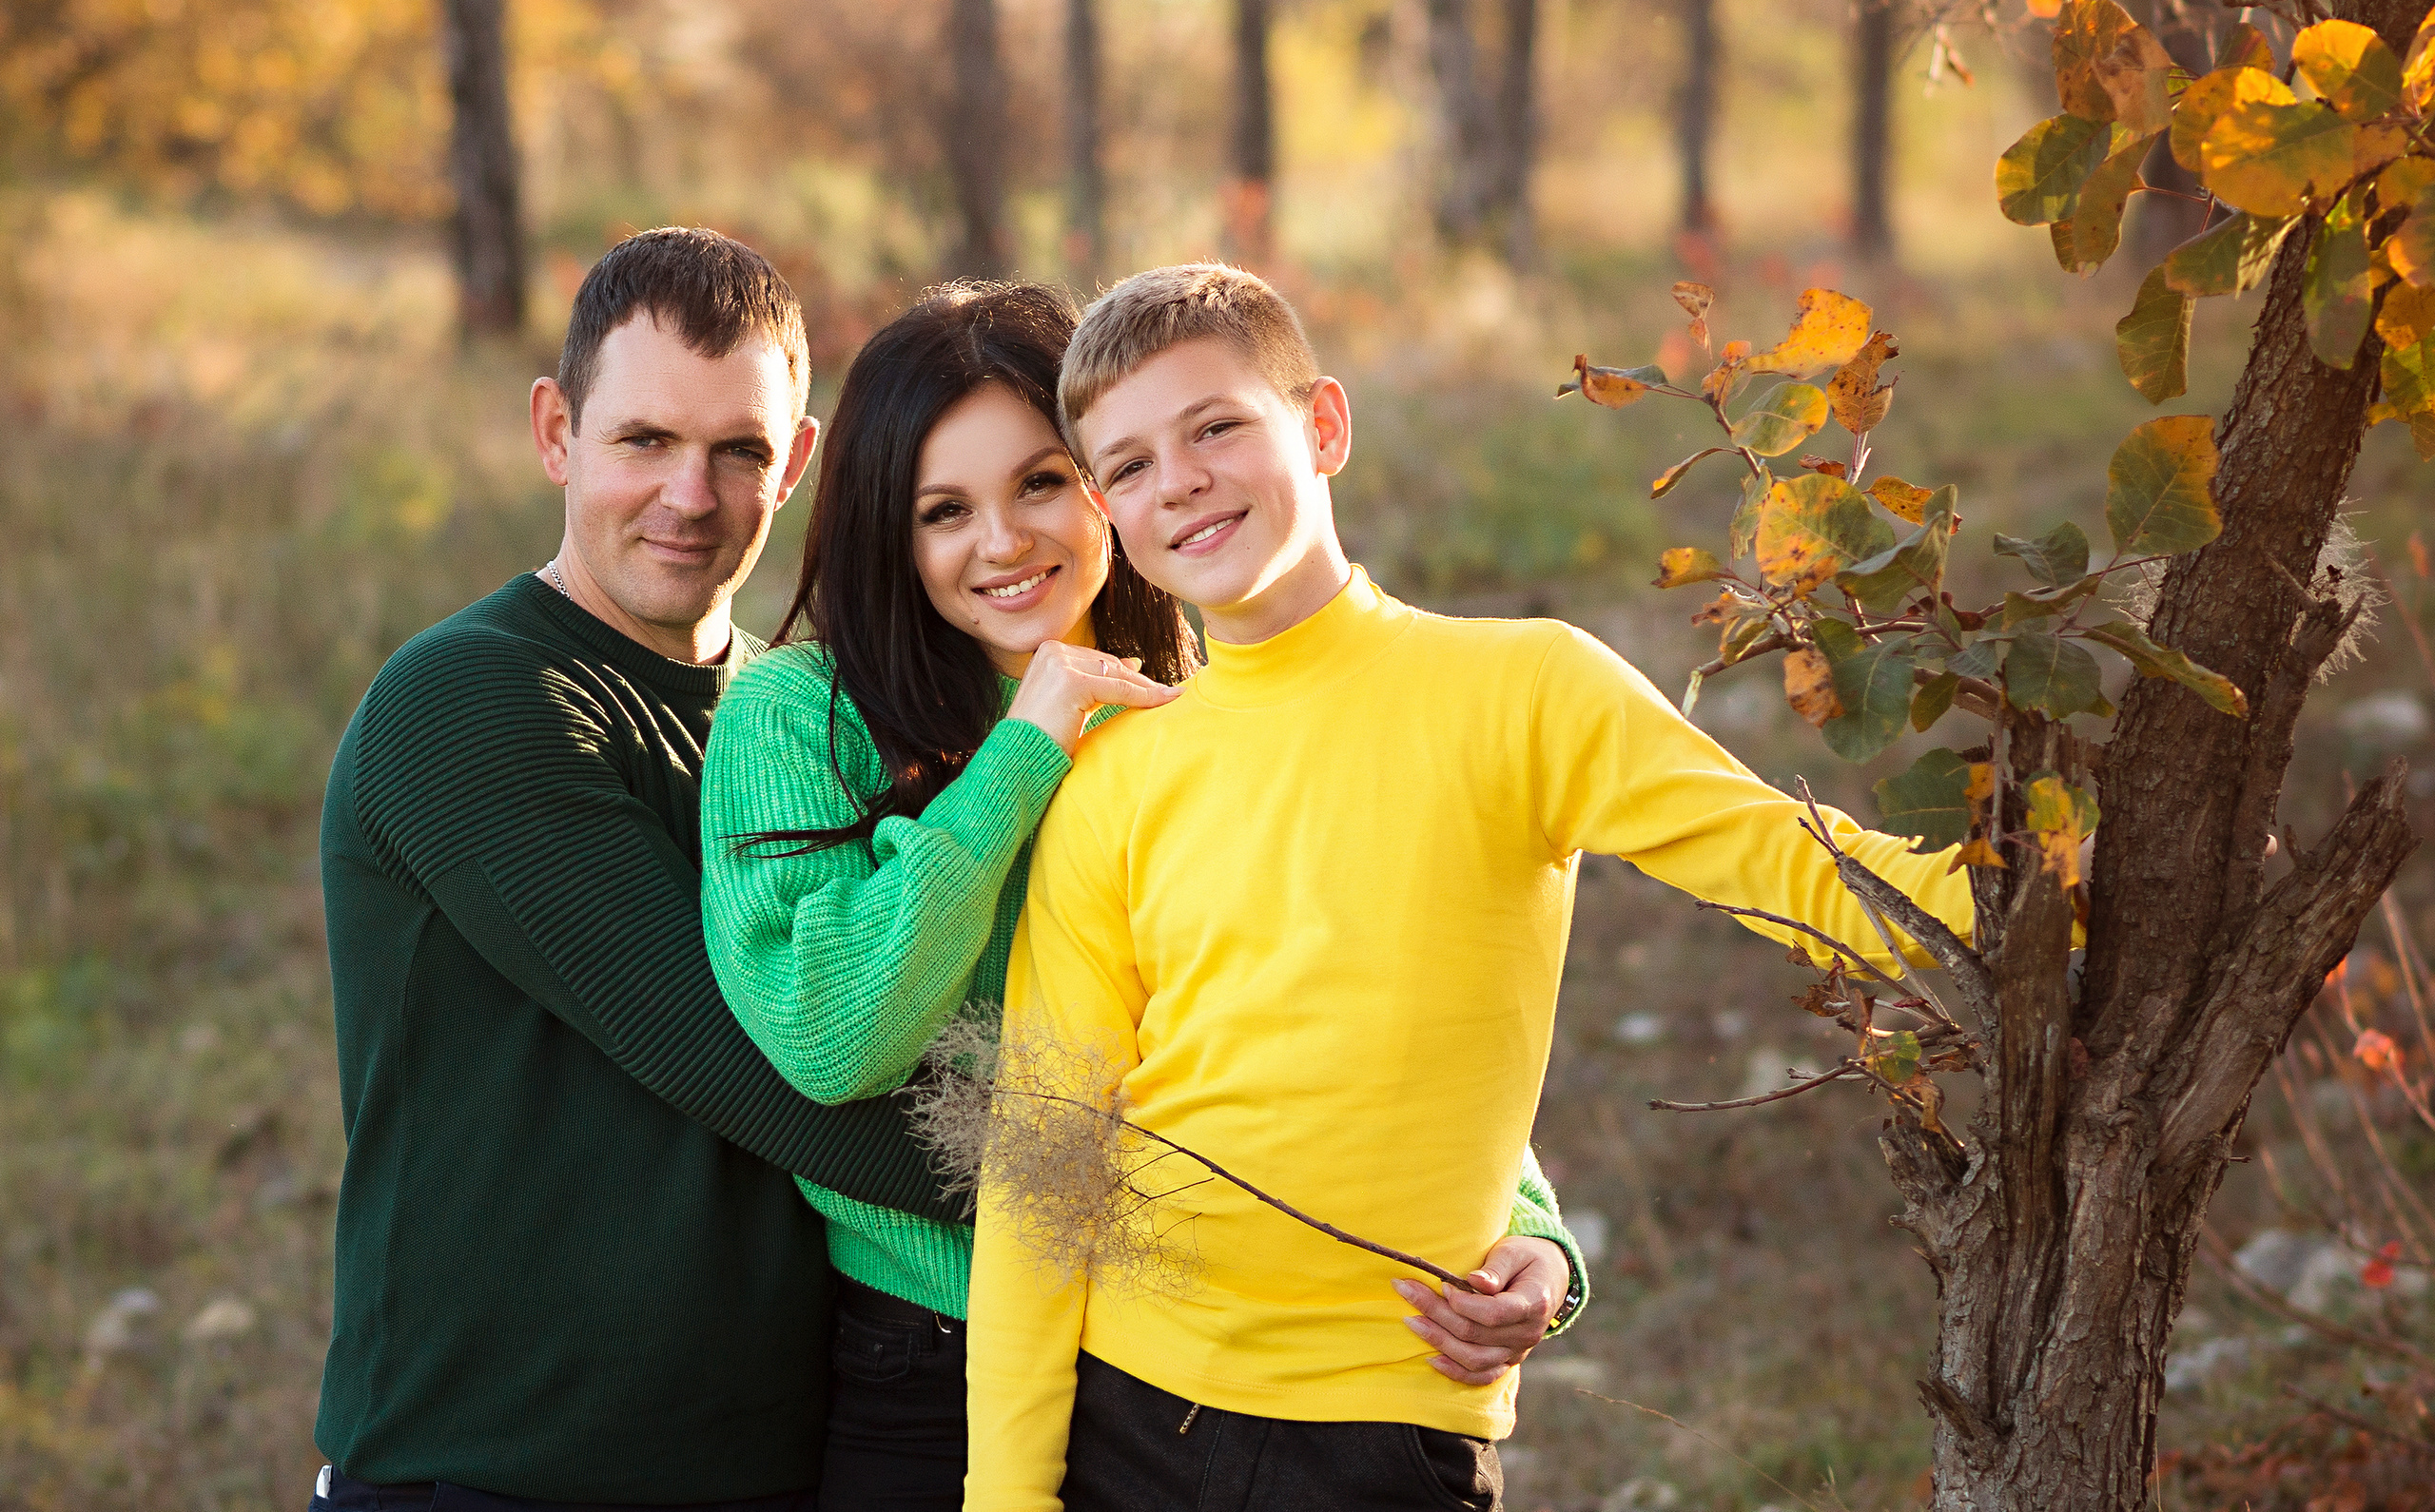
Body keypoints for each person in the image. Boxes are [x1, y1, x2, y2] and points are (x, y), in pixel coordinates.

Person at [963, 263, 1982, 1512]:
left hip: (1388, 1427)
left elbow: (1781, 854)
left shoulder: (1523, 690)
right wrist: (1003, 1498)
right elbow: (1042, 1153)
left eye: (1216, 425)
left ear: (1323, 424)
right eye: (1125, 465)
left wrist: (2041, 887)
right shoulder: (1116, 773)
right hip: (1131, 1410)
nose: (1177, 479)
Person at [696, 281, 1588, 1511]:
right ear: (885, 533)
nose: (1003, 541)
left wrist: (1532, 1224)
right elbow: (830, 1030)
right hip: (931, 1360)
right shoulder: (797, 715)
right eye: (943, 511)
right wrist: (1029, 748)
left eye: (1043, 482)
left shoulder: (1199, 706)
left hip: (1185, 1369)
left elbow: (1356, 976)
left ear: (1111, 482)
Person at [312, 228, 966, 1512]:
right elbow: (770, 1073)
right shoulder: (474, 699)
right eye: (643, 441)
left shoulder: (804, 727)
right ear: (556, 432)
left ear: (800, 463)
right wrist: (1178, 1212)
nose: (690, 496)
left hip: (778, 1459)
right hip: (500, 1471)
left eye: (738, 450)